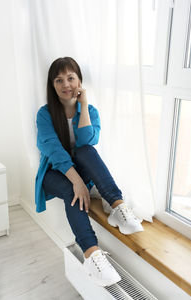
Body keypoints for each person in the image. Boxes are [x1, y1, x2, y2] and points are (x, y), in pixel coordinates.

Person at [35, 57, 143, 287]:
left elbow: (87, 141)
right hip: (55, 174)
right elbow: (53, 151)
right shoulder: (45, 114)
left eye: (71, 78)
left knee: (85, 150)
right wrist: (76, 181)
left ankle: (117, 206)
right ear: (52, 86)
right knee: (69, 190)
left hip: (81, 171)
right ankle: (92, 254)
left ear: (80, 81)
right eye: (59, 80)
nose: (66, 84)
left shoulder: (90, 110)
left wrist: (83, 106)